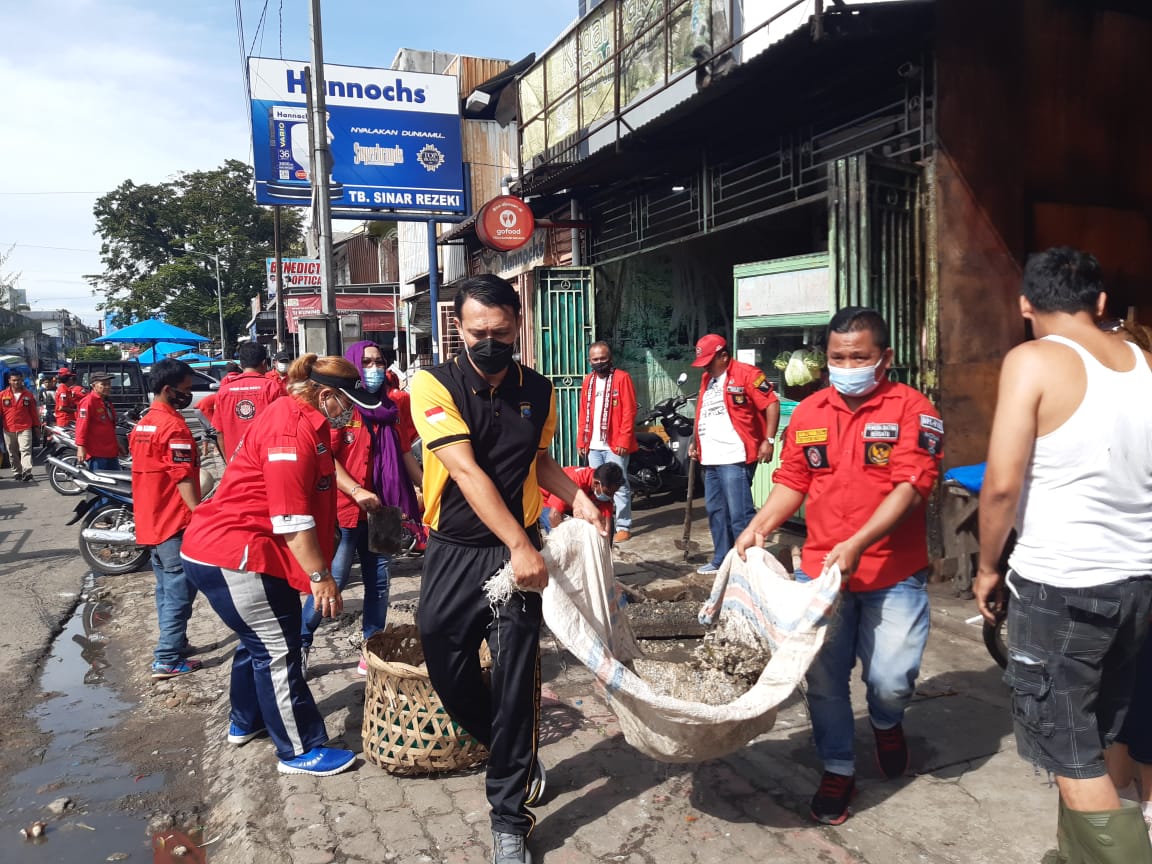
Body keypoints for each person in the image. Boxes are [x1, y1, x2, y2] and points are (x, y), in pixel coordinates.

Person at [410, 274, 605, 864]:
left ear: (518, 326)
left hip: (516, 557)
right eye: (477, 333)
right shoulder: (433, 384)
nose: (489, 342)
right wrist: (521, 544)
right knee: (442, 651)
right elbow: (466, 472)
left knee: (517, 681)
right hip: (455, 548)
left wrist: (578, 497)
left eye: (499, 332)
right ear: (459, 330)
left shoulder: (539, 391)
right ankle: (506, 748)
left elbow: (537, 460)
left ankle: (508, 814)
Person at [974, 247, 1152, 862]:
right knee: (1107, 733)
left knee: (1071, 749)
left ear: (1026, 306)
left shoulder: (1032, 360)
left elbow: (1000, 483)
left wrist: (988, 567)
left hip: (1063, 587)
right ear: (1100, 303)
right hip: (1138, 583)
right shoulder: (1144, 362)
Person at [733, 307, 942, 826]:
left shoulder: (914, 409)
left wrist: (858, 541)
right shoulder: (808, 414)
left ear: (884, 359)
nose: (847, 365)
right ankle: (838, 768)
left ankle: (888, 722)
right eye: (837, 357)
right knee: (824, 681)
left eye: (859, 356)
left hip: (894, 572)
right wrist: (758, 526)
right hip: (819, 577)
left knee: (890, 679)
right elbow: (793, 481)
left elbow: (911, 487)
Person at [179, 354, 382, 777]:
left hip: (239, 552)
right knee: (277, 650)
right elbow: (292, 521)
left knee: (256, 641)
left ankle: (246, 721)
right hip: (236, 553)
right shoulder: (288, 431)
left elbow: (326, 466)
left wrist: (356, 489)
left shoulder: (309, 421)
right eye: (346, 403)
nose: (350, 412)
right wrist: (321, 578)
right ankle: (297, 749)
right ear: (325, 395)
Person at [299, 340, 422, 677]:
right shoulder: (342, 408)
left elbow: (405, 454)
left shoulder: (394, 406)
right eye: (366, 362)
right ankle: (301, 642)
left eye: (379, 361)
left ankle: (371, 649)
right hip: (345, 509)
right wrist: (355, 491)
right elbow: (326, 457)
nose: (374, 368)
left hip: (385, 508)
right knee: (332, 579)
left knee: (379, 582)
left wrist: (426, 486)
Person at [130, 359, 203, 679]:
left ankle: (175, 643)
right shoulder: (173, 427)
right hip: (174, 521)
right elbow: (183, 477)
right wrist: (200, 513)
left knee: (164, 589)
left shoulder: (144, 423)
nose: (189, 395)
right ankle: (167, 657)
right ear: (167, 389)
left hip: (151, 518)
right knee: (179, 593)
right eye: (186, 390)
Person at [689, 334, 780, 575]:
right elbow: (704, 413)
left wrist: (768, 440)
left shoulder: (748, 374)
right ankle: (722, 558)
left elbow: (771, 403)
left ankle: (747, 564)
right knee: (716, 511)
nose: (706, 366)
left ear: (724, 355)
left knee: (740, 513)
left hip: (735, 456)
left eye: (710, 360)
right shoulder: (706, 379)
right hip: (710, 458)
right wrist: (696, 441)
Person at [576, 342, 637, 543]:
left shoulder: (621, 378)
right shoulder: (588, 381)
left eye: (603, 358)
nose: (599, 362)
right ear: (589, 361)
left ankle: (623, 525)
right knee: (598, 486)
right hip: (593, 444)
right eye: (595, 359)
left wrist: (623, 439)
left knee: (618, 484)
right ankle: (601, 520)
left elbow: (629, 411)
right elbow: (584, 412)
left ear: (609, 358)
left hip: (614, 444)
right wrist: (582, 440)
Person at [214, 342, 283, 461]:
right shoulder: (272, 387)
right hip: (265, 459)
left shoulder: (223, 391)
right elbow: (283, 426)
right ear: (264, 363)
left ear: (241, 364)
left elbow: (219, 432)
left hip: (236, 462)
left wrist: (227, 462)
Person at [540, 462, 623, 535]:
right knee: (562, 536)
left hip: (571, 505)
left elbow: (606, 527)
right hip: (547, 500)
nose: (611, 496)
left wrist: (606, 549)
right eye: (609, 493)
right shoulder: (575, 479)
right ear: (596, 484)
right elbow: (553, 515)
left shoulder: (605, 488)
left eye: (613, 493)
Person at [75, 372, 123, 471]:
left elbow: (110, 426)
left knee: (115, 483)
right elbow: (82, 426)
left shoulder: (106, 402)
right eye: (103, 384)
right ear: (93, 386)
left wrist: (117, 444)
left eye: (109, 384)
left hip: (111, 451)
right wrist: (81, 448)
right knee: (100, 484)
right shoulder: (88, 402)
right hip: (97, 453)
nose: (107, 387)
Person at [0, 370, 39, 481]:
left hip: (25, 427)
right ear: (9, 381)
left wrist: (36, 427)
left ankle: (27, 472)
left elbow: (33, 413)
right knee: (12, 452)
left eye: (19, 380)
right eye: (14, 380)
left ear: (22, 380)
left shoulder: (28, 395)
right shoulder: (2, 395)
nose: (16, 382)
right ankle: (17, 472)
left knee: (25, 450)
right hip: (8, 428)